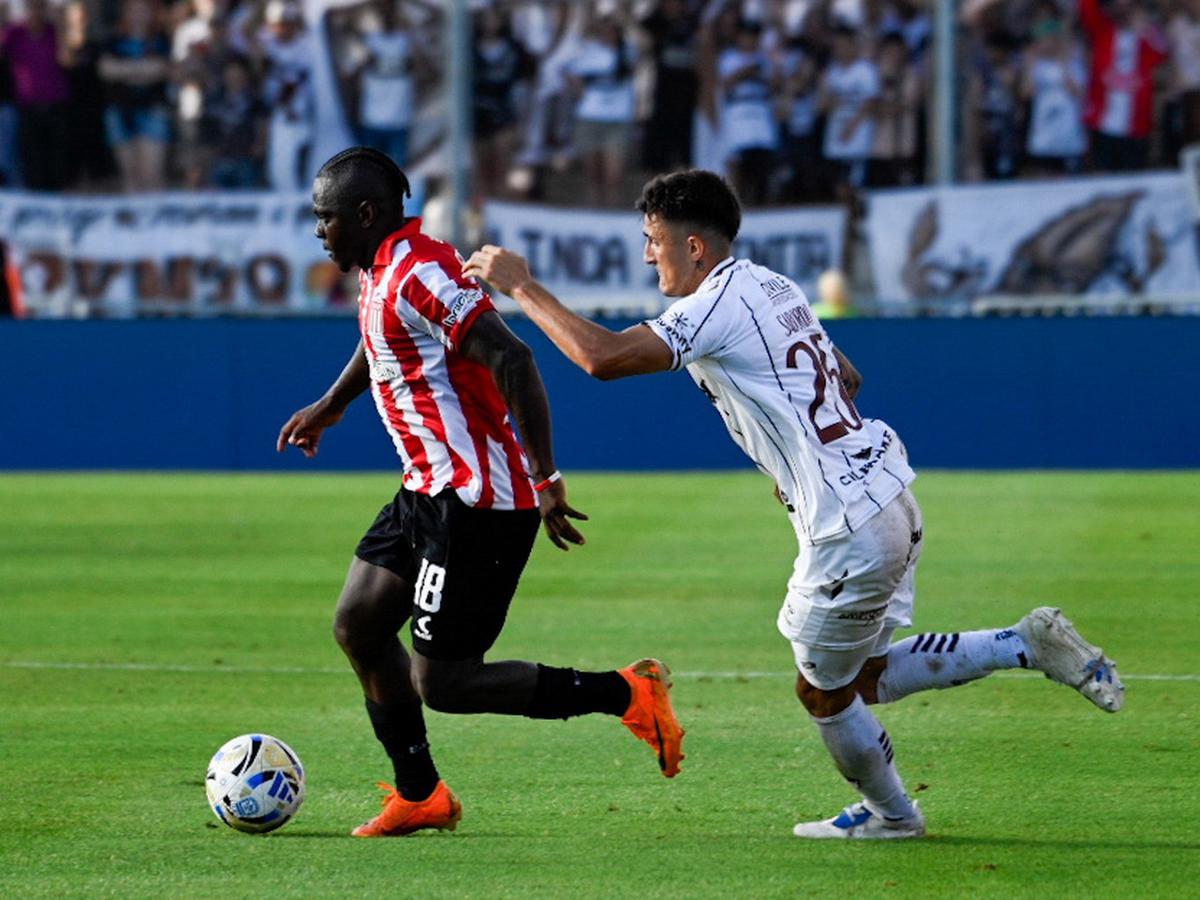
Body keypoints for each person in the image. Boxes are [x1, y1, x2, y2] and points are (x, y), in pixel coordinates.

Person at [463, 168, 1125, 840]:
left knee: (823, 692)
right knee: (862, 675)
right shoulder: (773, 285)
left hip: (848, 528)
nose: (645, 255)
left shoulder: (714, 304)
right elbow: (846, 374)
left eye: (652, 240)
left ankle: (894, 814)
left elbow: (600, 358)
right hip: (889, 497)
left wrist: (520, 284)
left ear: (695, 247)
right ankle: (1023, 645)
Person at [277, 147, 685, 838]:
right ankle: (421, 795)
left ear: (366, 213)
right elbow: (384, 342)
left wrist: (547, 478)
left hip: (480, 503)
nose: (320, 231)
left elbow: (513, 356)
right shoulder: (384, 269)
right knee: (358, 624)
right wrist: (332, 403)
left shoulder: (421, 270)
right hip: (424, 491)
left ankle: (628, 692)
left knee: (446, 684)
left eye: (327, 218)